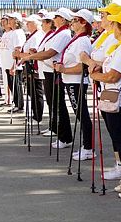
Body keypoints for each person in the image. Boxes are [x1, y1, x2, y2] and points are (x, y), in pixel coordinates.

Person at [83, 10, 121, 197]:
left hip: (119, 97)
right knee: (116, 137)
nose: (112, 26)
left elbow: (113, 75)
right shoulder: (120, 45)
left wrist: (95, 75)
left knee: (119, 137)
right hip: (111, 95)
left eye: (115, 24)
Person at [19, 8, 73, 147]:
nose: (54, 19)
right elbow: (45, 51)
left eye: (56, 17)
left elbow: (50, 53)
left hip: (54, 72)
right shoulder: (58, 33)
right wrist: (35, 54)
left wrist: (30, 57)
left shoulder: (64, 34)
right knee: (54, 103)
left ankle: (65, 137)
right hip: (48, 71)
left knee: (57, 104)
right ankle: (61, 135)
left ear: (62, 19)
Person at [54, 9, 94, 160]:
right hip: (70, 80)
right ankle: (86, 145)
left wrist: (64, 69)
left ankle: (88, 147)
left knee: (82, 115)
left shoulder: (83, 40)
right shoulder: (76, 39)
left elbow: (82, 66)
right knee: (80, 114)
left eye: (76, 20)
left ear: (84, 23)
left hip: (76, 82)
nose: (72, 22)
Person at [17, 14, 46, 125]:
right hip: (28, 66)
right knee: (31, 92)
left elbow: (32, 53)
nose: (27, 25)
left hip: (35, 67)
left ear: (35, 24)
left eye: (29, 23)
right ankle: (35, 114)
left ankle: (37, 116)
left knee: (36, 92)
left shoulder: (37, 35)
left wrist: (20, 54)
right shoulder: (32, 35)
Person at [5, 13, 27, 112]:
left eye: (11, 19)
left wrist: (14, 66)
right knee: (11, 85)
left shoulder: (18, 32)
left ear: (16, 21)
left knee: (16, 85)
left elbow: (18, 49)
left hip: (15, 64)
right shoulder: (12, 32)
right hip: (8, 62)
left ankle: (20, 105)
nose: (8, 20)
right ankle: (16, 103)